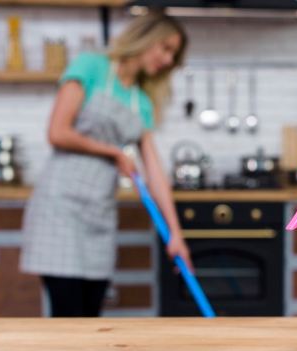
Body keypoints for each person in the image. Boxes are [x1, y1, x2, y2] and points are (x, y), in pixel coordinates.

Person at [21, 12, 193, 317]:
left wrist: (175, 234)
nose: (167, 60)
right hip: (61, 207)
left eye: (173, 55)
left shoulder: (141, 100)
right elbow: (58, 132)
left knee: (91, 315)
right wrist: (113, 152)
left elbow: (154, 171)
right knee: (68, 314)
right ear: (145, 38)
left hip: (99, 212)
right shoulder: (92, 66)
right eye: (165, 48)